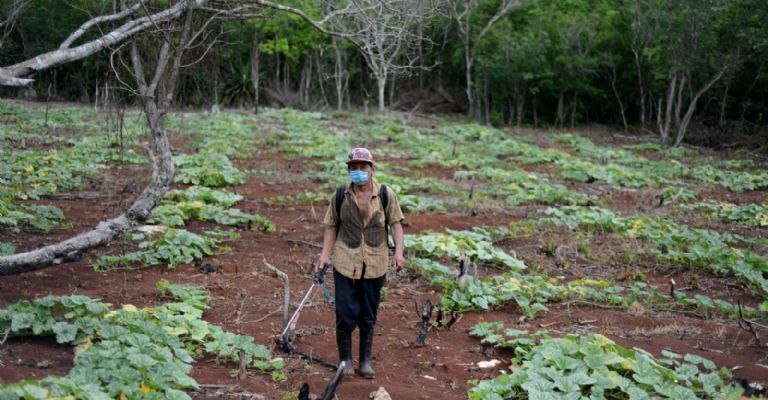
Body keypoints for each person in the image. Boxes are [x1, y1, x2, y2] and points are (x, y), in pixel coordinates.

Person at [314, 147, 406, 379]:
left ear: (372, 169)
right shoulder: (340, 196)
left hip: (375, 263)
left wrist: (399, 252)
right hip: (345, 261)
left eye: (362, 167)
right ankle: (345, 360)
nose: (358, 172)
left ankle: (364, 361)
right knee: (345, 313)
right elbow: (331, 226)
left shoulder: (386, 194)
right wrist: (324, 256)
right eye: (353, 168)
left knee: (368, 313)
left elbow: (396, 224)